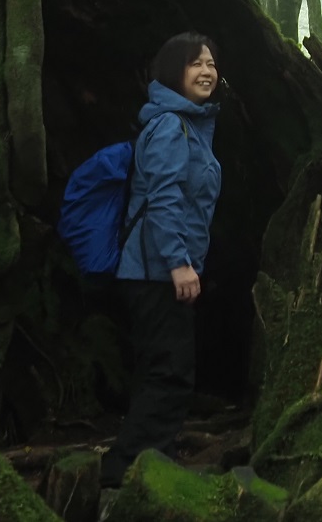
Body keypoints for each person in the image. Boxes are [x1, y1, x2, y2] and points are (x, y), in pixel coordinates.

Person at [102, 32, 224, 485]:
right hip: (155, 272)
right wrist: (178, 263)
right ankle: (130, 471)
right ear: (175, 72)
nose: (207, 71)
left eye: (211, 63)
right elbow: (163, 201)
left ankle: (151, 462)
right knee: (169, 372)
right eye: (195, 64)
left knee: (161, 368)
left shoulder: (189, 125)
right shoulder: (171, 127)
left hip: (157, 270)